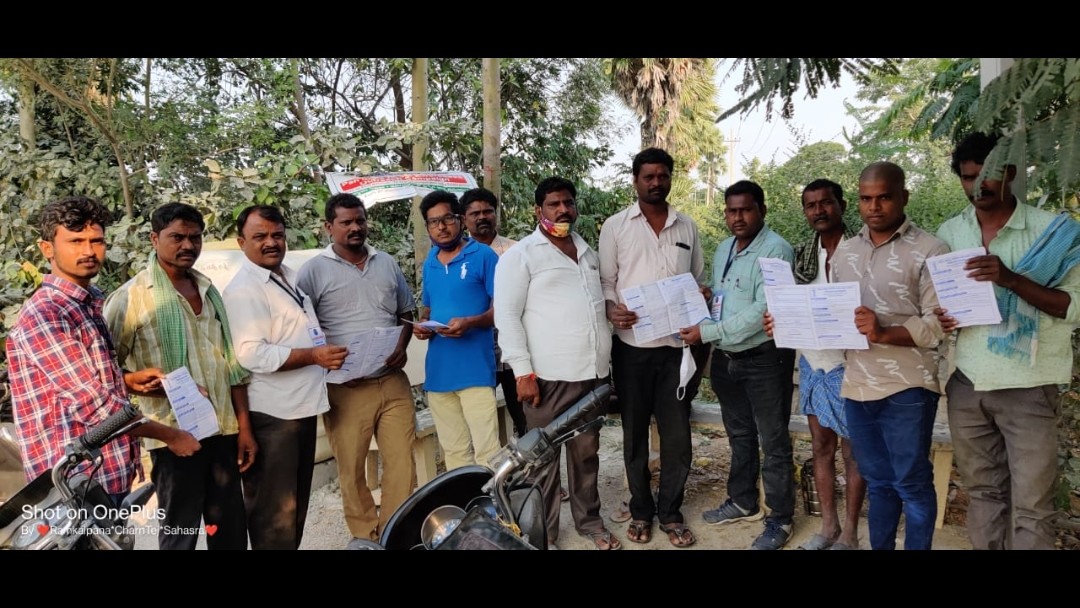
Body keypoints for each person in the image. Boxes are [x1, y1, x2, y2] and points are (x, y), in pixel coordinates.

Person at [936, 132, 1080, 550]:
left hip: (1029, 385)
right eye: (968, 178)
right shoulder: (951, 231)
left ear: (1011, 173)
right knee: (983, 494)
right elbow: (944, 301)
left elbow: (1073, 307)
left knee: (1033, 505)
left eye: (987, 175)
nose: (977, 186)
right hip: (968, 381)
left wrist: (1011, 278)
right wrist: (943, 316)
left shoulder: (1054, 231)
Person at [7, 196, 197, 506]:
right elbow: (95, 406)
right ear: (47, 249)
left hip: (106, 473)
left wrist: (128, 381)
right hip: (74, 484)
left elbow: (87, 382)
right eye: (75, 241)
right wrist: (171, 436)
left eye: (96, 241)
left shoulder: (88, 303)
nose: (88, 251)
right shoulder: (46, 314)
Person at [105, 202, 255, 550]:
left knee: (230, 531)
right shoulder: (130, 298)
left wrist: (244, 428)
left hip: (222, 431)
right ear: (154, 239)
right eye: (177, 237)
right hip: (173, 438)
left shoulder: (208, 290)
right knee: (180, 534)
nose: (188, 245)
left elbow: (231, 365)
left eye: (195, 237)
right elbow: (106, 373)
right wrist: (137, 382)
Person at [495, 176, 620, 550]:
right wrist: (523, 373)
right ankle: (544, 533)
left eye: (568, 202)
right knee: (542, 461)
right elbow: (507, 316)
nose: (563, 209)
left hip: (591, 375)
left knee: (586, 455)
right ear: (539, 210)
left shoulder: (587, 253)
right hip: (546, 378)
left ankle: (589, 521)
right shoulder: (521, 255)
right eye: (554, 203)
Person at [833, 162, 948, 550]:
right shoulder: (845, 251)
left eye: (884, 197)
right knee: (878, 483)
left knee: (911, 484)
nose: (874, 206)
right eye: (866, 198)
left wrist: (883, 332)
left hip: (908, 386)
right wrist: (787, 323)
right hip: (857, 385)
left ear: (904, 197)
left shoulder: (930, 249)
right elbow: (833, 315)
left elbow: (938, 324)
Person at [221, 205, 348, 550]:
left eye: (277, 235)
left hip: (299, 409)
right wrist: (314, 356)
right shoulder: (244, 289)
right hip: (273, 417)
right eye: (259, 236)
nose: (271, 242)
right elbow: (251, 354)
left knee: (294, 511)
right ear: (241, 242)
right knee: (273, 518)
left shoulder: (288, 276)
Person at [680, 180, 797, 550]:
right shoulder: (725, 248)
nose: (738, 217)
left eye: (746, 209)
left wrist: (708, 332)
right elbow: (726, 298)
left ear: (762, 210)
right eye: (731, 211)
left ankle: (780, 519)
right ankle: (744, 501)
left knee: (773, 440)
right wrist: (708, 298)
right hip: (727, 359)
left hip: (764, 358)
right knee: (740, 434)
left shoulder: (776, 250)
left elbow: (763, 310)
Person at [296, 193, 417, 542]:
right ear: (328, 226)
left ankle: (395, 534)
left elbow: (406, 312)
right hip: (345, 388)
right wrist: (326, 365)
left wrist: (402, 346)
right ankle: (366, 537)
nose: (355, 227)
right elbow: (302, 327)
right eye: (346, 222)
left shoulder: (386, 262)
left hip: (392, 381)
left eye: (360, 220)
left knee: (402, 465)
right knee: (351, 469)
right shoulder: (313, 271)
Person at [599, 147, 704, 548]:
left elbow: (696, 279)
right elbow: (607, 282)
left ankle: (671, 511)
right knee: (634, 435)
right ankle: (641, 509)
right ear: (636, 180)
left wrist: (701, 295)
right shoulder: (616, 226)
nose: (656, 182)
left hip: (677, 349)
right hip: (632, 349)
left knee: (677, 435)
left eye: (663, 176)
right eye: (649, 176)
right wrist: (612, 309)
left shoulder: (687, 227)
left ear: (671, 178)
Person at [788, 179, 865, 550]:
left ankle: (850, 532)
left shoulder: (862, 251)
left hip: (852, 365)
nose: (818, 211)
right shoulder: (802, 255)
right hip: (813, 362)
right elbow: (791, 306)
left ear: (842, 205)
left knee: (853, 452)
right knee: (821, 446)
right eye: (811, 205)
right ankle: (828, 527)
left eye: (826, 203)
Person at [413, 190, 501, 470]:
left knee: (488, 453)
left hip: (476, 371)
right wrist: (423, 326)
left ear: (461, 220)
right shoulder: (430, 262)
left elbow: (501, 311)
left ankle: (493, 499)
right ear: (427, 227)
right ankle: (464, 499)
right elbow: (428, 309)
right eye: (433, 222)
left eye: (447, 219)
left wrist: (470, 322)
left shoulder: (484, 256)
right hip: (438, 374)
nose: (441, 226)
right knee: (454, 453)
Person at [460, 187, 526, 439]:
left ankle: (528, 465)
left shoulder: (517, 251)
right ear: (464, 218)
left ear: (495, 214)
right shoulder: (457, 255)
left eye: (487, 211)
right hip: (474, 352)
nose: (482, 217)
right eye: (474, 213)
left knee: (525, 419)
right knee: (478, 428)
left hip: (513, 354)